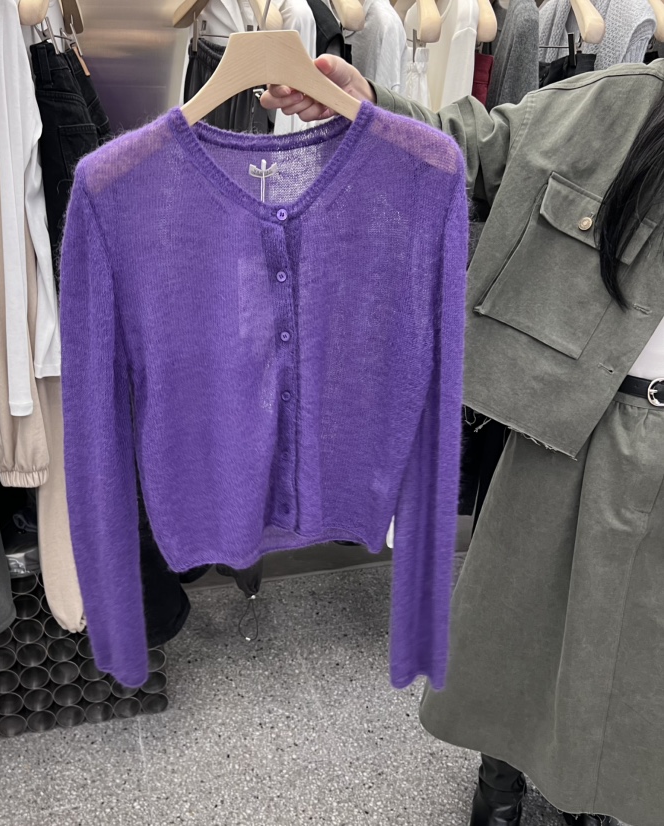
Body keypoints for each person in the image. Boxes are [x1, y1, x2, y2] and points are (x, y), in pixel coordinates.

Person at [262, 55, 664, 826]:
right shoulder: (617, 103)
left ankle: (590, 788)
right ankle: (501, 775)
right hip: (571, 421)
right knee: (519, 618)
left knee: (636, 650)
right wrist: (370, 104)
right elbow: (473, 146)